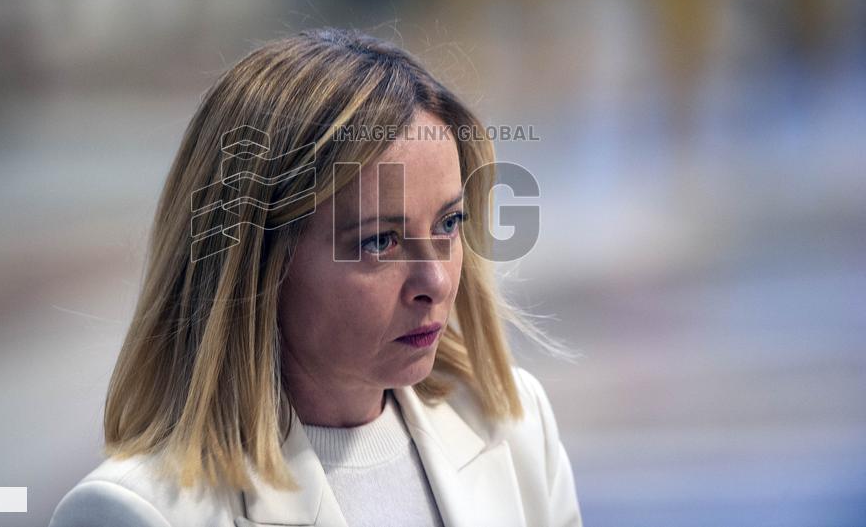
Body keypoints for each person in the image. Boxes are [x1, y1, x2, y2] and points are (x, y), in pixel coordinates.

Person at [49, 28, 583, 527]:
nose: (436, 282)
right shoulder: (136, 513)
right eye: (380, 241)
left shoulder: (513, 424)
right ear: (256, 265)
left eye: (450, 222)